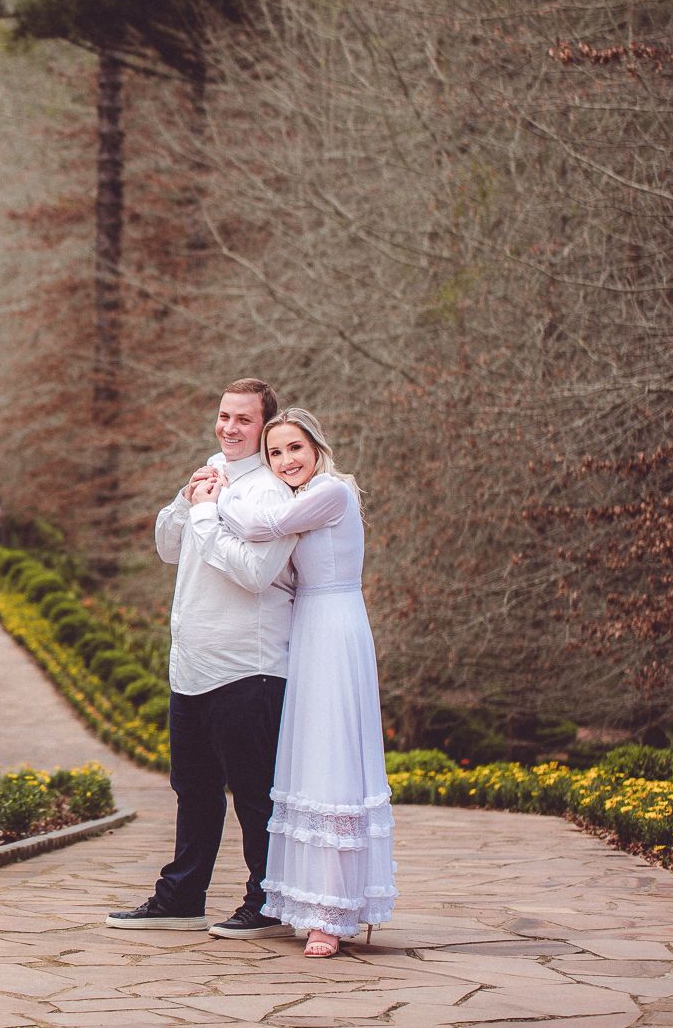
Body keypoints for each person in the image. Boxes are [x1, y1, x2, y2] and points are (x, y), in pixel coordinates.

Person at [107, 378, 298, 939]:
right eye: (223, 416)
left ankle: (269, 900)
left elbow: (255, 572)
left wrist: (207, 513)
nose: (229, 428)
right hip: (191, 664)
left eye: (242, 419)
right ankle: (181, 896)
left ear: (266, 427)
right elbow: (169, 545)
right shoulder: (209, 470)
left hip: (250, 664)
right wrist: (186, 499)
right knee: (192, 788)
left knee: (255, 793)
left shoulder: (274, 489)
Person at [209, 407, 396, 958]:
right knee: (308, 756)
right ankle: (310, 902)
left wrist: (214, 497)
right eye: (275, 453)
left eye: (295, 448)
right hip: (305, 628)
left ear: (316, 448)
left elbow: (257, 527)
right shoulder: (298, 500)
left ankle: (330, 917)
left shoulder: (332, 493)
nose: (286, 460)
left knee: (333, 758)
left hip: (336, 627)